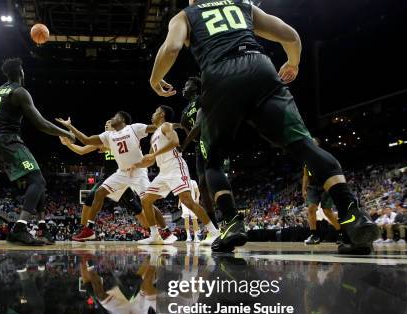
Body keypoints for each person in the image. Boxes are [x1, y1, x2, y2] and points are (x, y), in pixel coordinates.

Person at [149, 0, 379, 254]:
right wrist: (293, 63)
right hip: (260, 66)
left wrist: (155, 79)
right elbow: (290, 34)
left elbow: (171, 48)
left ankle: (231, 224)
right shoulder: (240, 6)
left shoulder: (185, 15)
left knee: (212, 161)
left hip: (220, 74)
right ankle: (351, 212)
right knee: (303, 145)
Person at [0, 58, 75, 246]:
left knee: (39, 182)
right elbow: (41, 124)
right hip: (10, 142)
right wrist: (66, 133)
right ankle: (20, 229)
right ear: (20, 73)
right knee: (37, 181)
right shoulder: (19, 92)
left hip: (1, 141)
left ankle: (42, 227)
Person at [56, 112, 177, 244]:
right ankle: (89, 230)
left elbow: (156, 127)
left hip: (138, 171)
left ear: (123, 120)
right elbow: (85, 140)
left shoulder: (134, 128)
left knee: (146, 202)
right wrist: (70, 127)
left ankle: (165, 231)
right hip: (121, 173)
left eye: (114, 117)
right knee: (99, 193)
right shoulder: (108, 136)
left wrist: (170, 126)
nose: (111, 119)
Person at [129, 106, 218, 245]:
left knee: (187, 201)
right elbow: (150, 160)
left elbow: (175, 142)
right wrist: (136, 166)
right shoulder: (153, 136)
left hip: (176, 167)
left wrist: (154, 154)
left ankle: (214, 232)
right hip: (163, 172)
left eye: (155, 111)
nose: (152, 114)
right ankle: (155, 235)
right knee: (146, 200)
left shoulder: (166, 126)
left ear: (162, 114)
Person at [179, 77, 218, 235]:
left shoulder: (203, 99)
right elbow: (187, 128)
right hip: (198, 145)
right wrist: (188, 135)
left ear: (196, 87)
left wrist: (183, 146)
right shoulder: (184, 111)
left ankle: (227, 218)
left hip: (209, 138)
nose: (184, 87)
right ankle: (213, 227)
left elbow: (198, 125)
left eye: (187, 84)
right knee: (202, 185)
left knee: (209, 180)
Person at [302, 160, 342, 245]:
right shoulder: (307, 162)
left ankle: (341, 233)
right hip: (312, 187)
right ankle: (314, 235)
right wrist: (304, 189)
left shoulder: (323, 159)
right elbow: (306, 176)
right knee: (311, 209)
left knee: (326, 211)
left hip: (326, 185)